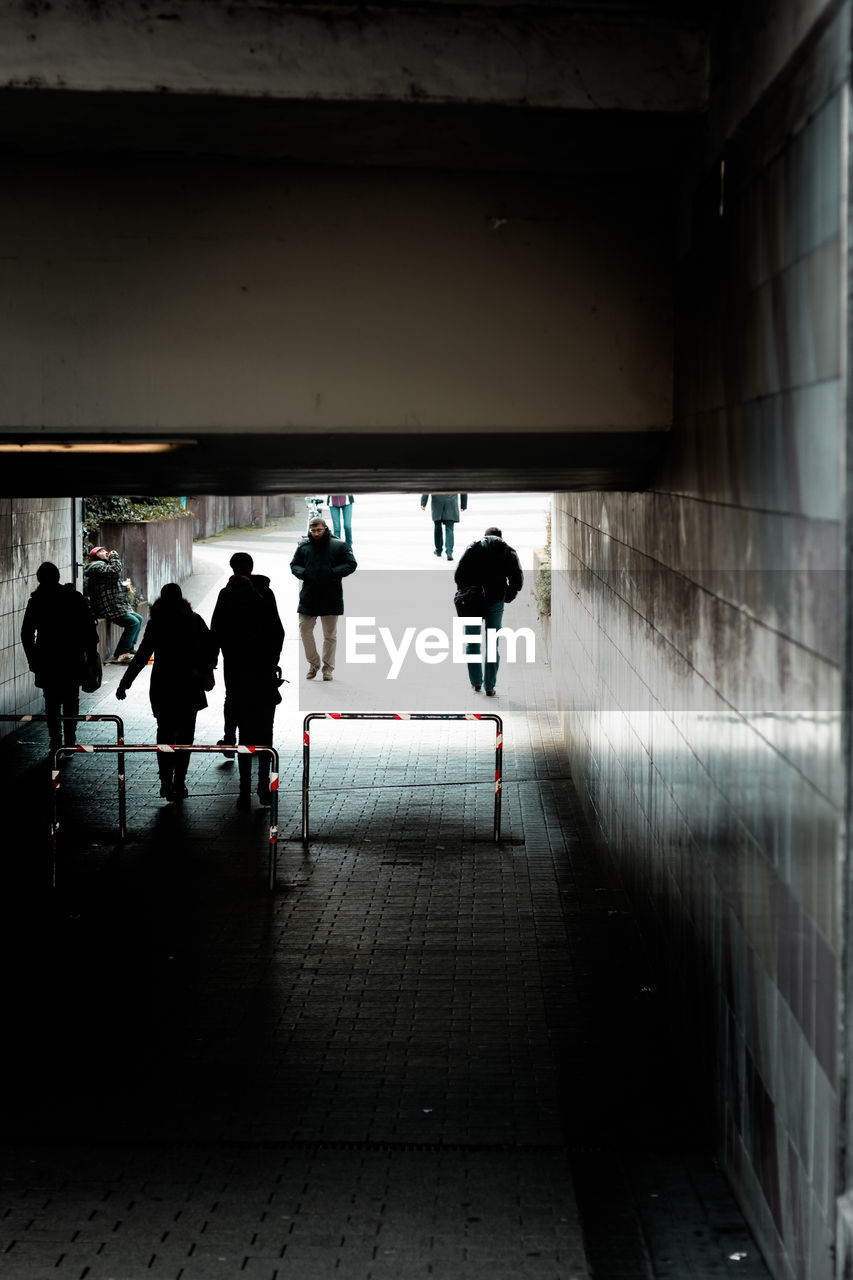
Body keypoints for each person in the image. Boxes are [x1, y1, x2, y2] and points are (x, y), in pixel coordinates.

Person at [115, 583, 217, 801]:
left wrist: (125, 682)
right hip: (190, 685)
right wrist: (205, 667)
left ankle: (165, 781)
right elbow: (212, 646)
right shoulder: (194, 619)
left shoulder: (156, 623)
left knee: (165, 732)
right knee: (186, 736)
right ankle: (180, 781)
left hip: (163, 686)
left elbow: (142, 655)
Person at [210, 552, 285, 808]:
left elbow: (215, 632)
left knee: (245, 732)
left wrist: (214, 662)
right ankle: (264, 787)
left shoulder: (226, 595)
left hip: (237, 673)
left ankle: (244, 788)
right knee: (266, 732)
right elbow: (278, 631)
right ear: (251, 568)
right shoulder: (266, 594)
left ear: (232, 568)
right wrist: (272, 660)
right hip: (263, 673)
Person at [20, 561, 99, 754]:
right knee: (71, 699)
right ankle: (70, 739)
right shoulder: (74, 598)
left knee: (52, 701)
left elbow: (26, 633)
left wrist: (32, 658)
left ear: (40, 579)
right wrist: (90, 656)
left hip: (47, 659)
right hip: (72, 656)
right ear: (57, 577)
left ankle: (55, 741)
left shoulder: (37, 601)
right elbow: (89, 629)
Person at [454, 526, 524, 697]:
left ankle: (476, 683)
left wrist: (468, 590)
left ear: (484, 537)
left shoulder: (473, 548)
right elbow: (518, 580)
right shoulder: (509, 551)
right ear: (501, 537)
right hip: (496, 601)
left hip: (472, 601)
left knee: (472, 643)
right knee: (492, 644)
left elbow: (458, 575)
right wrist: (507, 595)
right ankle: (490, 686)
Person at [290, 517, 357, 682]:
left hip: (330, 596)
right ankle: (313, 664)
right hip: (309, 596)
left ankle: (328, 669)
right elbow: (294, 565)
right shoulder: (304, 547)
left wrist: (332, 572)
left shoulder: (339, 545)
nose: (316, 533)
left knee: (330, 635)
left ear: (325, 528)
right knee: (305, 630)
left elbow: (351, 564)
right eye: (313, 531)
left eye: (319, 530)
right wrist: (304, 573)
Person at [83, 545, 143, 664]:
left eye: (105, 550)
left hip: (115, 604)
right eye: (101, 551)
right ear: (95, 556)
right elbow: (115, 571)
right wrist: (115, 557)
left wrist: (123, 587)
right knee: (133, 622)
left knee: (139, 619)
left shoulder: (103, 566)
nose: (105, 552)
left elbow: (111, 581)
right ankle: (123, 650)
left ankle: (129, 648)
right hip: (108, 606)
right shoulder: (96, 567)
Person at [420, 493, 467, 560]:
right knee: (450, 528)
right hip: (451, 502)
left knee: (437, 527)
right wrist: (463, 504)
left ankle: (438, 550)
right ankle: (449, 552)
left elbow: (428, 486)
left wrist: (423, 502)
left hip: (437, 501)